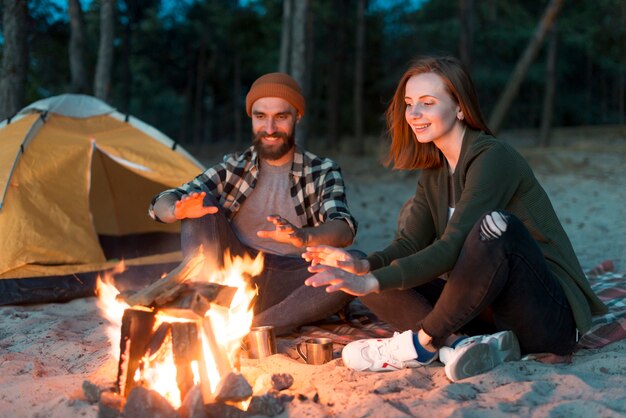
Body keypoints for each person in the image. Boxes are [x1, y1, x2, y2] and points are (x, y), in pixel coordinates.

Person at [302, 56, 607, 381]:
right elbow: (409, 243)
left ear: (460, 108)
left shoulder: (493, 157)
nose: (414, 114)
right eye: (409, 103)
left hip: (545, 316)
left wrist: (371, 280)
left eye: (427, 103)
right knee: (369, 267)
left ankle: (422, 344)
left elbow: (451, 247)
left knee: (495, 227)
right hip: (485, 311)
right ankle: (459, 345)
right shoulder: (434, 170)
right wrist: (363, 269)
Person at [149, 72, 357, 335]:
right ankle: (201, 304)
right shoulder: (234, 167)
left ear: (297, 117)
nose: (269, 129)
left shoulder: (322, 170)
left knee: (354, 264)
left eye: (281, 117)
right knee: (200, 204)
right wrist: (177, 209)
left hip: (296, 280)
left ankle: (253, 329)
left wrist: (303, 236)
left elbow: (344, 228)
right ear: (252, 118)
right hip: (234, 276)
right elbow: (163, 200)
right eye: (261, 117)